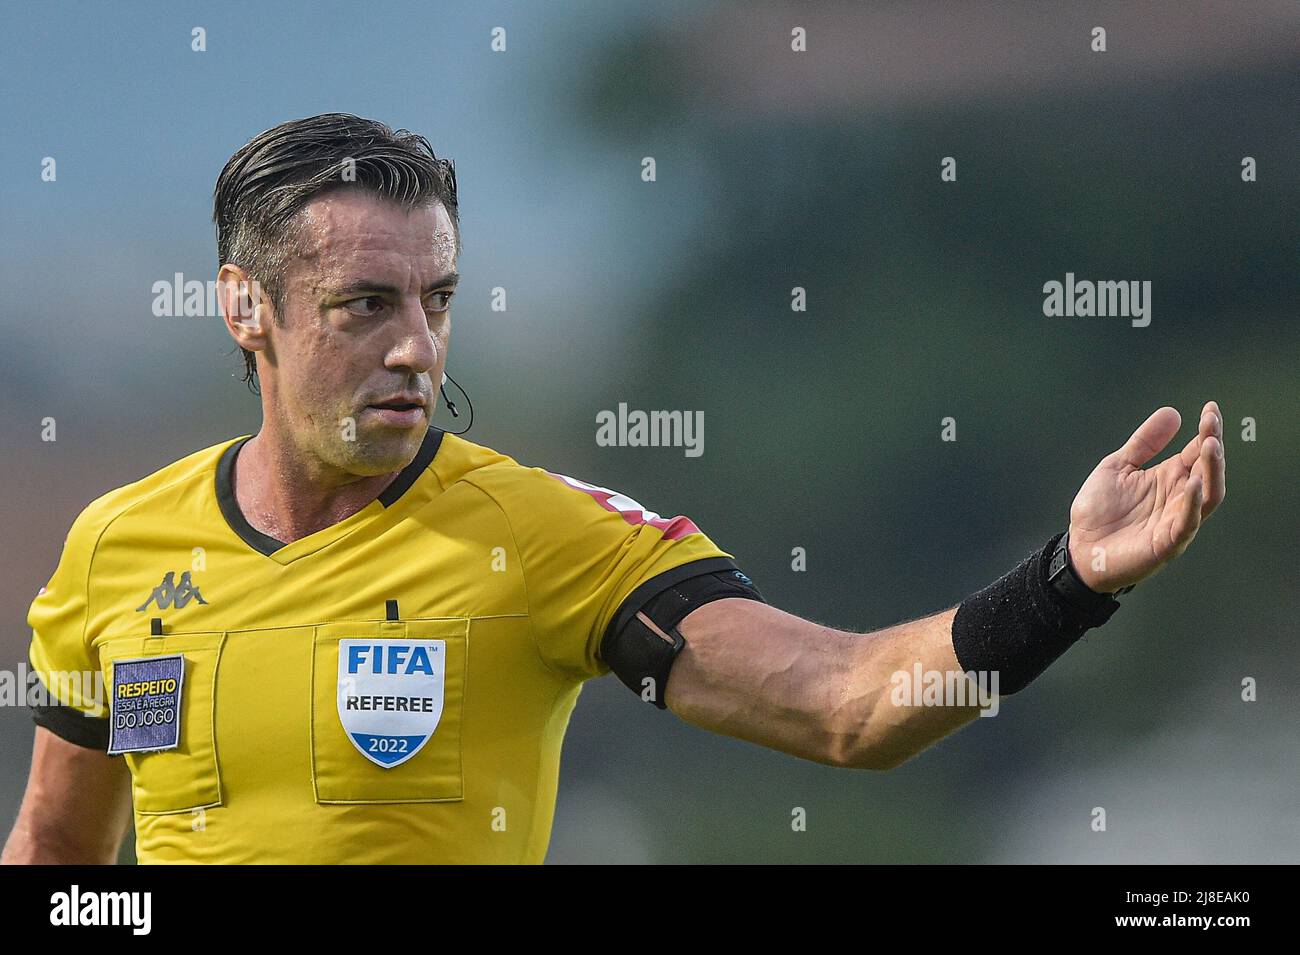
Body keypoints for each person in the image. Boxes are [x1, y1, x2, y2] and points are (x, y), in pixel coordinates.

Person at [1, 113, 1227, 864]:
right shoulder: (118, 548)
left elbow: (848, 705)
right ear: (243, 308)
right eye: (364, 306)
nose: (418, 347)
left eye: (438, 300)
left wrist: (1066, 582)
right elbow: (63, 857)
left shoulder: (535, 537)